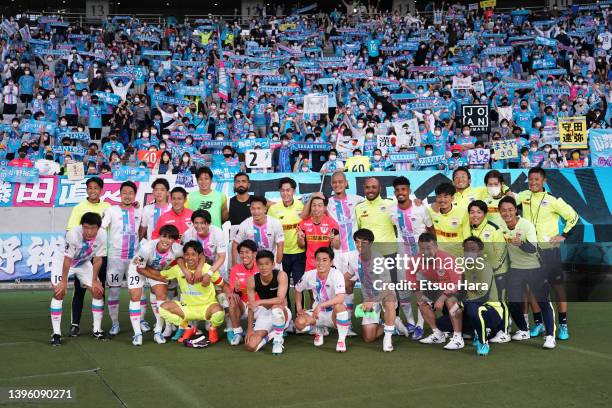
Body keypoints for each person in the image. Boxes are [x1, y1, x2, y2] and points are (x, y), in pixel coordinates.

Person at [515, 167, 578, 341]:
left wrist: (563, 235)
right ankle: (539, 323)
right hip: (529, 251)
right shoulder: (523, 196)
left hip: (550, 251)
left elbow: (573, 217)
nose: (533, 182)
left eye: (537, 179)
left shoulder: (553, 200)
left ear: (544, 181)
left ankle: (563, 325)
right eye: (531, 179)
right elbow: (508, 200)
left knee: (557, 287)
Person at [498, 196, 556, 349]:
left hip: (535, 268)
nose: (507, 213)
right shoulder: (499, 225)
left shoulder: (526, 225)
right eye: (503, 210)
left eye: (510, 209)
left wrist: (521, 243)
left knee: (543, 302)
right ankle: (524, 330)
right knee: (513, 302)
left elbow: (533, 249)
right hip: (515, 269)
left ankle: (550, 336)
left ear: (515, 210)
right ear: (499, 212)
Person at [49, 212, 107, 345]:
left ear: (98, 228)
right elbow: (67, 259)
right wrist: (63, 281)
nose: (89, 231)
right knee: (59, 292)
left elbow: (98, 259)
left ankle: (97, 329)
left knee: (97, 291)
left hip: (82, 262)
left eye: (93, 228)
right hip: (63, 261)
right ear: (82, 226)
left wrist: (94, 280)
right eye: (86, 227)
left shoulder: (103, 235)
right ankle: (56, 333)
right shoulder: (73, 234)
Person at [64, 177, 110, 337]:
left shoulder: (107, 207)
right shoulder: (79, 208)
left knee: (98, 289)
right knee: (80, 290)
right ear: (86, 190)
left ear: (101, 190)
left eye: (96, 188)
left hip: (99, 255)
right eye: (90, 188)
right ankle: (75, 324)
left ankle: (97, 328)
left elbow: (112, 228)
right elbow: (71, 231)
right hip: (82, 257)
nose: (92, 191)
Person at [158, 240, 226, 347]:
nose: (190, 258)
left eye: (193, 255)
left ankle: (212, 329)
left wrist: (230, 295)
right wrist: (142, 269)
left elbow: (223, 284)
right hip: (188, 308)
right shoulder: (178, 269)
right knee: (162, 308)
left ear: (199, 256)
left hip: (206, 307)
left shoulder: (208, 269)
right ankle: (188, 328)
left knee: (219, 311)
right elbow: (160, 275)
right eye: (187, 255)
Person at [389, 176, 433, 340]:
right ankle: (411, 322)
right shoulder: (392, 209)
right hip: (402, 253)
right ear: (394, 193)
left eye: (404, 189)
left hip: (420, 254)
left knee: (420, 290)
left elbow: (431, 229)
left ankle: (421, 325)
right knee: (403, 289)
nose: (401, 193)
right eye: (398, 190)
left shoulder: (421, 208)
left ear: (409, 191)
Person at [128, 225, 183, 346]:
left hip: (155, 270)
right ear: (159, 236)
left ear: (174, 240)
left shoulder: (178, 249)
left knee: (161, 295)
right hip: (137, 268)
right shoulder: (147, 248)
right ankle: (137, 334)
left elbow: (184, 257)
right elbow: (140, 269)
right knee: (135, 297)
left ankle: (158, 331)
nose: (166, 240)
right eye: (164, 236)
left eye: (170, 238)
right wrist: (159, 277)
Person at [465, 200, 510, 343]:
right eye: (472, 212)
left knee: (500, 300)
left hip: (498, 271)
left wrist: (494, 267)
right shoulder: (469, 229)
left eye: (479, 212)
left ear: (484, 214)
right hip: (480, 273)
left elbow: (502, 250)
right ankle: (487, 329)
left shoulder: (493, 229)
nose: (475, 215)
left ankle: (504, 331)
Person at [101, 181, 142, 337]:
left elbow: (143, 229)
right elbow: (101, 228)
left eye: (131, 193)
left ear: (134, 195)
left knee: (138, 292)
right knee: (114, 291)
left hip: (134, 259)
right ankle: (115, 324)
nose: (127, 195)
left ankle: (141, 321)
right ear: (120, 193)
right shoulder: (111, 210)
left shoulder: (139, 210)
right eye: (124, 192)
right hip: (115, 258)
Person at [413, 233, 464, 350]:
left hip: (457, 290)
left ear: (436, 246)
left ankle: (458, 338)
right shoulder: (417, 258)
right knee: (421, 301)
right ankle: (437, 333)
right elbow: (410, 275)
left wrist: (442, 297)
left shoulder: (447, 258)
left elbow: (457, 282)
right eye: (422, 248)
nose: (425, 252)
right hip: (438, 288)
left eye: (428, 248)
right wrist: (417, 291)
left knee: (451, 301)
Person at [293, 247, 351, 352]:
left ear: (331, 262)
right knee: (299, 323)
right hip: (317, 314)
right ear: (314, 261)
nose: (320, 263)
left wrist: (321, 305)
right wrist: (299, 308)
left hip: (333, 313)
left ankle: (341, 341)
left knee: (340, 307)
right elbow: (297, 289)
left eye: (325, 260)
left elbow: (341, 297)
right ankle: (319, 330)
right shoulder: (309, 275)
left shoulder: (336, 274)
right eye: (318, 259)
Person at [461, 236, 508, 356]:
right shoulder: (465, 266)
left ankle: (483, 342)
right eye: (466, 249)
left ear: (480, 251)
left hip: (491, 310)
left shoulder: (485, 266)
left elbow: (484, 295)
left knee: (471, 308)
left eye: (473, 249)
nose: (469, 252)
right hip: (474, 306)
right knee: (443, 321)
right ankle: (475, 331)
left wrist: (464, 301)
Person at [351, 229, 397, 352]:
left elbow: (388, 288)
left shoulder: (379, 259)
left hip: (383, 296)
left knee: (390, 301)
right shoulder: (353, 259)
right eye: (357, 241)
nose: (360, 245)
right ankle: (393, 323)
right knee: (368, 338)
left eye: (364, 242)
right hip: (368, 299)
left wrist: (373, 301)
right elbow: (347, 278)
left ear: (371, 243)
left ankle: (387, 338)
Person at [267, 177, 305, 314]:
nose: (285, 193)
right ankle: (287, 317)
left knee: (299, 287)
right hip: (281, 254)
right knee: (282, 287)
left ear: (293, 191)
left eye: (288, 190)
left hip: (299, 253)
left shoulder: (302, 207)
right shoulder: (273, 209)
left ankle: (300, 316)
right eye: (282, 190)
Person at [244, 250, 291, 355]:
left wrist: (259, 301)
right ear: (257, 265)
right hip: (265, 313)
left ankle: (278, 341)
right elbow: (251, 306)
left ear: (273, 264)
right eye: (260, 264)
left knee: (276, 307)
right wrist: (249, 329)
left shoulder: (281, 275)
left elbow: (280, 299)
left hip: (282, 313)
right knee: (251, 345)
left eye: (267, 264)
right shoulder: (252, 280)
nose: (263, 267)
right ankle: (271, 334)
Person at [232, 196, 285, 268]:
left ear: (265, 209)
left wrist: (277, 264)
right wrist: (235, 265)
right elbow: (235, 243)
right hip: (252, 264)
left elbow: (280, 245)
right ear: (250, 209)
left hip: (271, 263)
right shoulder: (245, 224)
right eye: (253, 208)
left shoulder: (275, 223)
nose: (256, 212)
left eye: (259, 208)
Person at [224, 239, 259, 346]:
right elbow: (234, 293)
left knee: (255, 338)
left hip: (259, 305)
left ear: (254, 253)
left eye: (247, 252)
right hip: (243, 305)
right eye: (241, 253)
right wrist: (236, 290)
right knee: (231, 299)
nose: (244, 255)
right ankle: (237, 332)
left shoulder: (261, 267)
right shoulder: (235, 269)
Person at [297, 195, 340, 272]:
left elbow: (337, 246)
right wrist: (300, 239)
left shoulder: (332, 223)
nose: (316, 208)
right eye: (314, 205)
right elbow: (301, 246)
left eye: (320, 205)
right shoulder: (303, 224)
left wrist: (333, 240)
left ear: (325, 208)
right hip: (309, 266)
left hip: (326, 265)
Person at [427, 182, 469, 255]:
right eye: (439, 197)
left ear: (452, 198)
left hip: (458, 254)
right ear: (436, 198)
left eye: (445, 197)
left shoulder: (463, 212)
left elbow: (467, 235)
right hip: (440, 254)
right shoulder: (431, 211)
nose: (442, 200)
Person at [182, 210, 227, 276]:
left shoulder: (218, 232)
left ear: (209, 223)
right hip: (196, 269)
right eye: (196, 223)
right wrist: (187, 271)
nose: (199, 226)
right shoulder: (187, 235)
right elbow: (184, 255)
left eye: (202, 223)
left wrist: (209, 273)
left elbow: (221, 257)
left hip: (216, 268)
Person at [228, 172, 254, 240]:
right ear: (234, 185)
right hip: (235, 242)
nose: (240, 184)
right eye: (238, 182)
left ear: (248, 185)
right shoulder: (228, 202)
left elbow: (275, 206)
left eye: (243, 181)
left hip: (253, 242)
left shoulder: (256, 200)